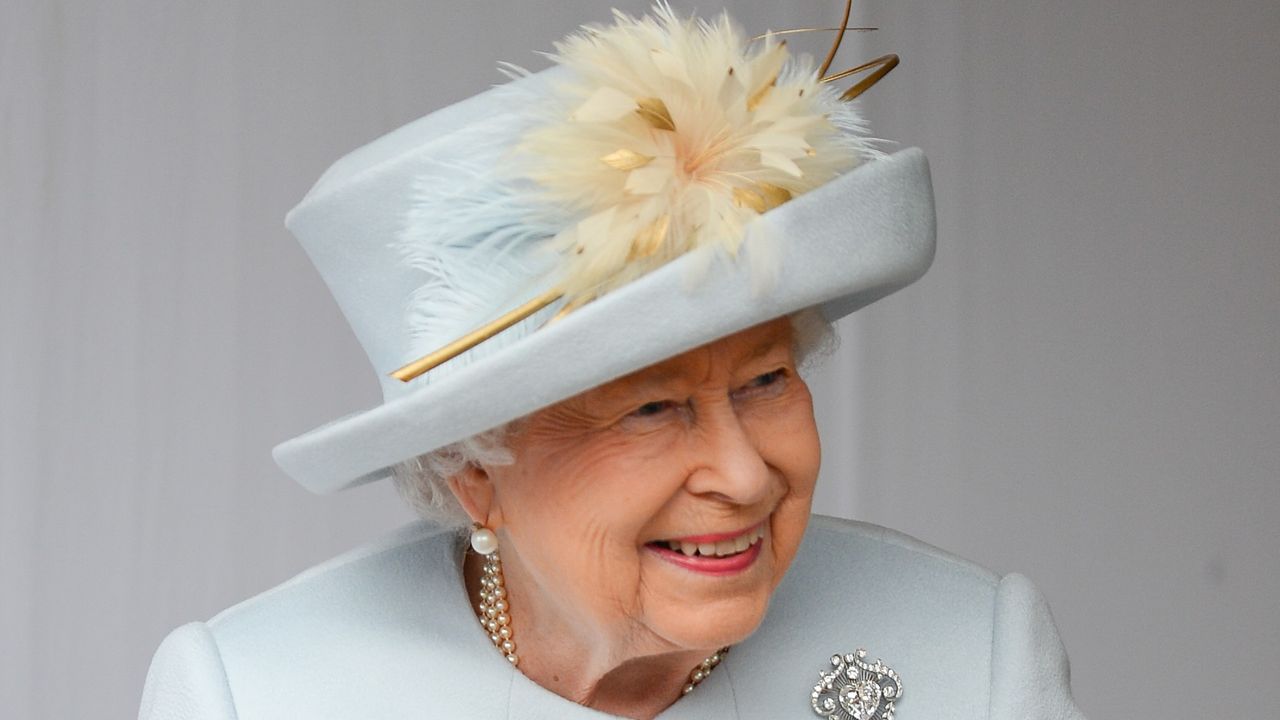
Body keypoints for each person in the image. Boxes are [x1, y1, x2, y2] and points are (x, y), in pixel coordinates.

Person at [138, 5, 1087, 719]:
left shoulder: (974, 659)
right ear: (475, 473)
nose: (746, 472)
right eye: (653, 409)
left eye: (765, 380)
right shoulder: (257, 697)